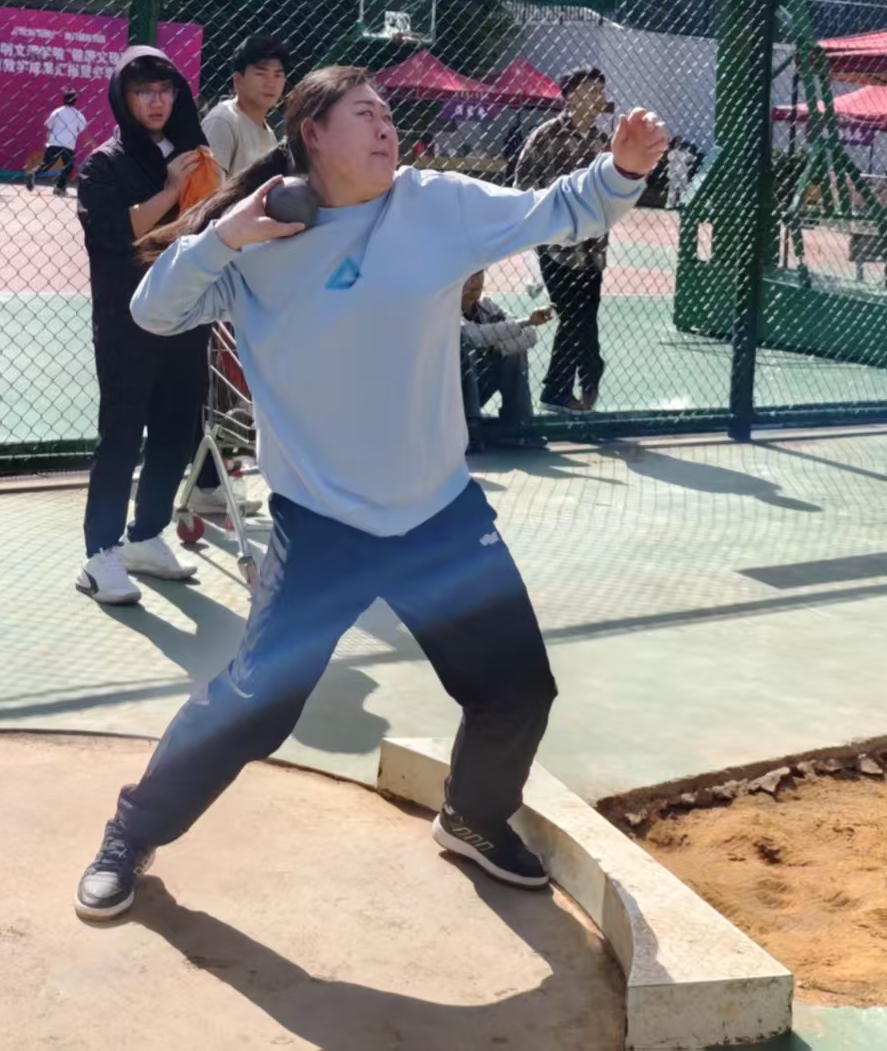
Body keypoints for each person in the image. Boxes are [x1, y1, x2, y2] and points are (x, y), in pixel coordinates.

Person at [73, 65, 667, 920]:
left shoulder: (437, 204)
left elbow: (558, 209)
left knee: (516, 690)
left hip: (438, 515)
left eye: (388, 113)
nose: (386, 126)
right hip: (322, 524)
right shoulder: (262, 241)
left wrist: (625, 167)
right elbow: (153, 311)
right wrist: (228, 233)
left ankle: (473, 817)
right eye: (364, 113)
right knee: (254, 705)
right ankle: (130, 834)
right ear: (313, 133)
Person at [75, 46, 227, 607]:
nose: (156, 100)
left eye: (164, 89)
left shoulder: (195, 155)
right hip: (127, 320)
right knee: (121, 432)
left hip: (187, 313)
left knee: (176, 428)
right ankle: (100, 554)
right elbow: (115, 237)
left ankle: (145, 536)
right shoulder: (104, 164)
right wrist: (167, 191)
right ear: (123, 98)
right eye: (143, 91)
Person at [515, 66, 614, 413]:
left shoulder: (603, 142)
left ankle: (576, 380)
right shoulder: (546, 136)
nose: (599, 97)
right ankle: (571, 382)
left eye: (601, 91)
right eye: (591, 90)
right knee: (572, 315)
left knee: (585, 316)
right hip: (556, 245)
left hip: (593, 247)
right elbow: (524, 184)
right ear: (570, 96)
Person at [461, 270, 553, 445]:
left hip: (480, 382)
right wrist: (524, 322)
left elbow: (529, 334)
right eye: (469, 275)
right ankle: (471, 429)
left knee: (514, 354)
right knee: (468, 351)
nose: (476, 280)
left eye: (479, 273)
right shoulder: (445, 310)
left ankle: (518, 426)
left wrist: (496, 347)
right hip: (454, 393)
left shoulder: (487, 305)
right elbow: (472, 336)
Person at [202, 35, 289, 177]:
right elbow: (207, 187)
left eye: (277, 75)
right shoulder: (223, 120)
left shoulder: (269, 135)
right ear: (238, 80)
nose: (271, 83)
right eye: (261, 74)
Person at [26, 89, 87, 196]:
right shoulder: (78, 114)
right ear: (75, 101)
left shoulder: (57, 112)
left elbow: (49, 125)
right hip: (68, 144)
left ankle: (34, 173)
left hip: (54, 142)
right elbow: (82, 128)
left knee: (47, 163)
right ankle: (60, 188)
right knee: (68, 166)